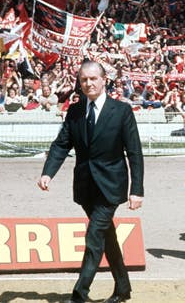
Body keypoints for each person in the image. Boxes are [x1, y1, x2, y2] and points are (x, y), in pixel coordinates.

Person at [37, 60, 144, 303]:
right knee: (107, 237)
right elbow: (62, 144)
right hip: (86, 187)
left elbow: (135, 152)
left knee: (94, 235)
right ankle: (123, 288)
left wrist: (136, 190)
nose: (88, 84)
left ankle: (79, 293)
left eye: (93, 78)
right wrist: (48, 172)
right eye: (84, 79)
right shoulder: (75, 111)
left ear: (104, 79)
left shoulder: (122, 111)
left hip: (112, 185)